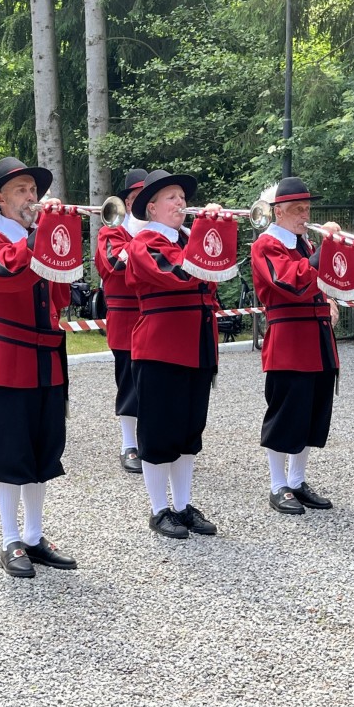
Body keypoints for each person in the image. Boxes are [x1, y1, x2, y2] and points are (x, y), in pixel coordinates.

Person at [0, 156, 78, 578]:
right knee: (12, 451)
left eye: (34, 190)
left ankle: (34, 535)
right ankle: (10, 538)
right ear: (0, 199)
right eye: (21, 191)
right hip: (11, 354)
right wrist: (44, 235)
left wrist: (58, 238)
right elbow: (3, 273)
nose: (32, 198)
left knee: (43, 449)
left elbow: (62, 293)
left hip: (48, 353)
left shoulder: (41, 237)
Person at [124, 169, 219, 540]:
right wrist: (208, 236)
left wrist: (213, 232)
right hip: (160, 347)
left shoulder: (188, 239)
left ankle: (182, 505)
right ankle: (158, 509)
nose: (181, 203)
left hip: (197, 344)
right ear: (152, 208)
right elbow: (181, 274)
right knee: (159, 431)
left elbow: (218, 272)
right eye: (172, 198)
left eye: (182, 197)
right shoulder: (143, 241)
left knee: (188, 432)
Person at [250, 177, 340, 515]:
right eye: (298, 210)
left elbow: (326, 279)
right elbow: (288, 280)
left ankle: (298, 480)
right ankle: (277, 485)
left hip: (317, 337)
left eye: (307, 208)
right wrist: (325, 251)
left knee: (311, 414)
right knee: (286, 414)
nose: (305, 215)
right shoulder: (267, 244)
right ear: (279, 213)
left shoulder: (305, 245)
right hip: (289, 339)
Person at [94, 168, 148, 473]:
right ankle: (129, 444)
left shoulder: (166, 233)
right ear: (127, 203)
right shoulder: (111, 232)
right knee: (129, 383)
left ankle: (153, 439)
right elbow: (115, 263)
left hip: (158, 318)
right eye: (138, 197)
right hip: (127, 318)